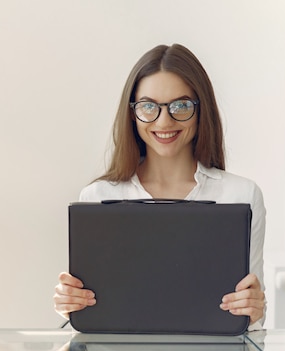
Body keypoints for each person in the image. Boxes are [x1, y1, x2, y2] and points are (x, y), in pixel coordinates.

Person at [54, 44, 266, 330]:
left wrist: (255, 308)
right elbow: (92, 314)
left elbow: (250, 315)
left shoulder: (241, 195)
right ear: (132, 113)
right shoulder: (99, 197)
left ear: (201, 110)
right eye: (148, 107)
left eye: (180, 106)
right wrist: (71, 304)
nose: (164, 121)